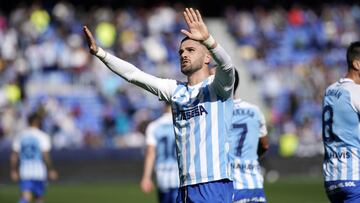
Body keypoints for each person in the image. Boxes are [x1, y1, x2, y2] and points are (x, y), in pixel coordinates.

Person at [84, 7, 235, 202]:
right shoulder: (175, 91)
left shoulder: (218, 88)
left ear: (207, 57)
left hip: (214, 183)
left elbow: (228, 66)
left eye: (190, 50)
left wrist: (209, 41)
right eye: (181, 51)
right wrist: (101, 53)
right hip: (185, 186)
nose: (184, 54)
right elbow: (134, 75)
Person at [322, 41, 360, 203]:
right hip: (354, 177)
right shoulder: (356, 92)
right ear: (357, 64)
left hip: (332, 178)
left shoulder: (329, 90)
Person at [229, 70, 269, 203]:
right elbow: (264, 145)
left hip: (230, 189)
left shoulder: (215, 114)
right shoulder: (254, 111)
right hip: (254, 184)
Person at [10, 113, 58, 203]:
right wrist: (51, 169)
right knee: (39, 197)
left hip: (25, 169)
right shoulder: (43, 136)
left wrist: (13, 170)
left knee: (25, 197)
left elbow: (14, 155)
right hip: (39, 171)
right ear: (38, 122)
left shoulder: (20, 135)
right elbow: (45, 155)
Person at [140, 104, 179, 203]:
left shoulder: (154, 126)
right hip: (180, 176)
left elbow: (150, 153)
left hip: (162, 175)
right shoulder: (182, 121)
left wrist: (146, 177)